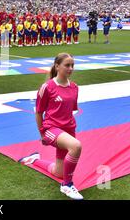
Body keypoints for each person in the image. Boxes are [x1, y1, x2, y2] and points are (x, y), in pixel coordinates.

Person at [19, 53, 83, 200]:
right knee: (76, 146)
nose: (70, 68)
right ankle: (67, 185)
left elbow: (70, 110)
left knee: (58, 172)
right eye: (67, 65)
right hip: (51, 129)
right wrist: (42, 133)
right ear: (57, 66)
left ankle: (34, 160)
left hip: (68, 130)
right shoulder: (47, 87)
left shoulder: (74, 87)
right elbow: (39, 112)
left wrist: (69, 130)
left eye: (72, 65)